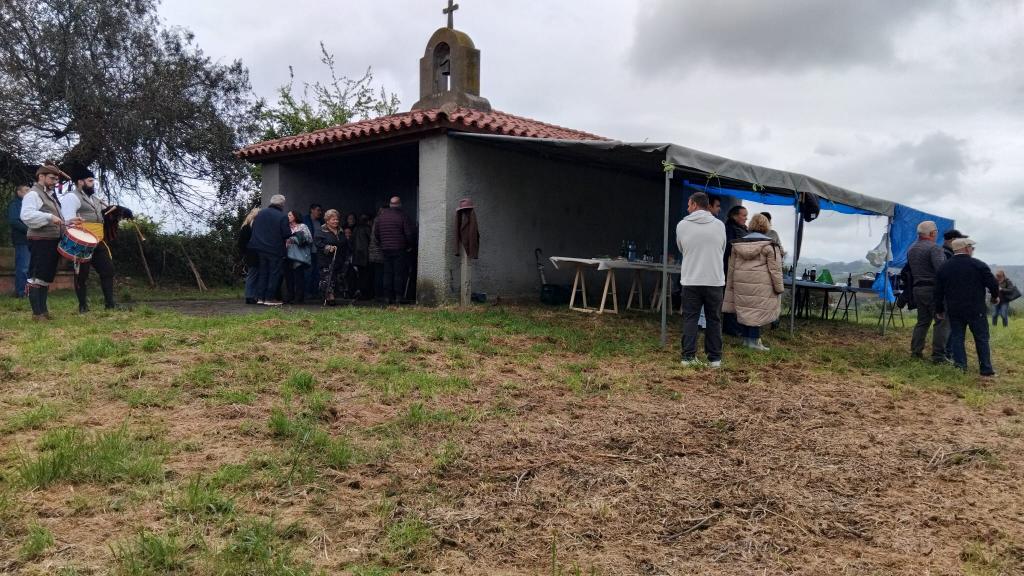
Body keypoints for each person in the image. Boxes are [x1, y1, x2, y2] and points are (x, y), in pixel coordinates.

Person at [676, 192, 727, 367]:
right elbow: (722, 248)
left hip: (691, 279)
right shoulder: (719, 225)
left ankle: (688, 357)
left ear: (695, 205)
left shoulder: (682, 225)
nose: (687, 208)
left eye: (689, 205)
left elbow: (681, 248)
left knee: (690, 318)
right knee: (714, 319)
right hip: (714, 280)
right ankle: (715, 359)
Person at [935, 238, 999, 377]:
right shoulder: (978, 265)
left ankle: (961, 367)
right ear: (966, 248)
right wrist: (995, 297)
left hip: (955, 309)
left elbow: (938, 291)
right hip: (976, 308)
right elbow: (993, 284)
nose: (973, 250)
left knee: (957, 337)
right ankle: (986, 369)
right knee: (981, 338)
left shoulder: (944, 267)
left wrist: (939, 309)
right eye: (972, 248)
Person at [21, 166, 76, 320]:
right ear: (41, 177)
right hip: (40, 240)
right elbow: (26, 215)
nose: (55, 182)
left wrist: (69, 221)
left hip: (51, 240)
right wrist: (49, 217)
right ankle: (37, 314)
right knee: (37, 276)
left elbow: (56, 219)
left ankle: (43, 312)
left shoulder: (50, 196)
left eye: (56, 179)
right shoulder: (33, 194)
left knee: (45, 277)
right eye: (52, 178)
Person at [724, 214, 784, 351]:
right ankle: (754, 342)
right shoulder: (770, 245)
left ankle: (746, 340)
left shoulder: (738, 244)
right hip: (761, 284)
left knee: (746, 309)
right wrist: (779, 288)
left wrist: (731, 284)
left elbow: (731, 267)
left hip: (741, 282)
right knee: (757, 312)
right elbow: (775, 270)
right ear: (766, 226)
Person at [60, 168, 116, 312]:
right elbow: (68, 221)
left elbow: (103, 215)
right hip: (82, 241)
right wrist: (79, 237)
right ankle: (83, 306)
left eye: (93, 181)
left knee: (108, 270)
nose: (93, 184)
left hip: (98, 240)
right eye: (90, 181)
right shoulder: (71, 197)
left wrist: (116, 211)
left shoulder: (95, 198)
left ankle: (110, 305)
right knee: (81, 275)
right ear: (80, 182)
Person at [907, 220, 950, 363]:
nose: (936, 235)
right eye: (936, 232)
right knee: (941, 321)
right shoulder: (934, 248)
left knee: (922, 322)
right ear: (932, 233)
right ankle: (938, 356)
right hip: (933, 290)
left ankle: (916, 352)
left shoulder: (912, 248)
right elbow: (942, 270)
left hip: (918, 289)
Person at [247, 194, 293, 306]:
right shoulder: (282, 216)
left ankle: (260, 298)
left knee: (263, 273)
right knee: (274, 274)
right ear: (282, 204)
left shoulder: (260, 214)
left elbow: (254, 229)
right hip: (274, 249)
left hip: (259, 248)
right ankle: (269, 298)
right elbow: (286, 234)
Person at [374, 196, 416, 304]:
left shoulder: (381, 217)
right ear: (400, 204)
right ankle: (398, 297)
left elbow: (376, 234)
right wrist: (410, 245)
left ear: (390, 204)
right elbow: (409, 233)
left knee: (387, 273)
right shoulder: (403, 216)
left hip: (385, 249)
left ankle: (387, 297)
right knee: (398, 273)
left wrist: (383, 243)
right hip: (399, 248)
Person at [722, 205, 749, 337]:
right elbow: (729, 249)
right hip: (730, 269)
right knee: (731, 298)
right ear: (734, 216)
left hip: (738, 269)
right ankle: (731, 327)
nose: (746, 218)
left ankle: (735, 326)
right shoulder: (729, 229)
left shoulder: (741, 229)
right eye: (744, 215)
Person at [315, 209, 350, 305]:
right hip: (326, 260)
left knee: (336, 278)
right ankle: (329, 297)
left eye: (337, 219)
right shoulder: (321, 230)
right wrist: (328, 247)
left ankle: (332, 295)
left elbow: (345, 243)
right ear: (327, 220)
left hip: (339, 259)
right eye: (333, 219)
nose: (336, 221)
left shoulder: (341, 230)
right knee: (327, 278)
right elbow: (318, 243)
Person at [284, 210, 312, 304]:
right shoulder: (286, 227)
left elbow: (309, 239)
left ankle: (299, 297)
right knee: (288, 276)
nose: (288, 216)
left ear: (295, 216)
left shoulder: (302, 226)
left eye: (290, 215)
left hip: (298, 255)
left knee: (298, 276)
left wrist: (295, 239)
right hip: (287, 255)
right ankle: (290, 296)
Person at [7, 184, 30, 297]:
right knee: (23, 267)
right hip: (21, 240)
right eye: (26, 190)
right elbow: (14, 221)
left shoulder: (30, 205)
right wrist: (29, 230)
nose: (28, 192)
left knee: (29, 267)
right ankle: (21, 292)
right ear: (19, 192)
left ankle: (29, 292)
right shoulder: (15, 204)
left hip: (32, 239)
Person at [237, 207, 261, 305]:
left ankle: (250, 296)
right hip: (254, 254)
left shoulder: (245, 227)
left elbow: (241, 244)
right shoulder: (251, 227)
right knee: (253, 275)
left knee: (252, 275)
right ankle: (250, 296)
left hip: (250, 254)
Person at [303, 203, 325, 299]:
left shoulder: (321, 222)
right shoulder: (305, 220)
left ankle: (315, 292)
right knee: (308, 272)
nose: (320, 212)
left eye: (320, 210)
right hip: (308, 251)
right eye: (318, 210)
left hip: (318, 252)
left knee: (317, 273)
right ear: (312, 210)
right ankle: (307, 292)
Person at [352, 213, 373, 299]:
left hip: (357, 256)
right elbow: (372, 240)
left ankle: (360, 291)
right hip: (366, 256)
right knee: (366, 275)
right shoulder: (367, 229)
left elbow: (352, 241)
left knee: (360, 275)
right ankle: (365, 294)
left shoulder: (355, 229)